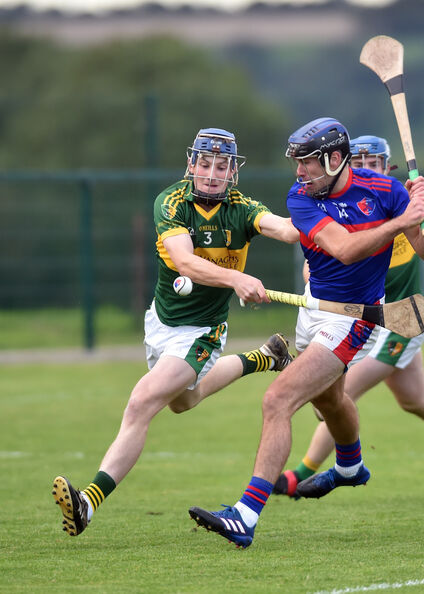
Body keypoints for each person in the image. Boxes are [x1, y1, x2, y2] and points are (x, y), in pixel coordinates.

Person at [188, 118, 424, 547]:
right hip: (314, 309)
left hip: (353, 320)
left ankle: (245, 516)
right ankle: (350, 467)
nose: (299, 172)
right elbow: (343, 249)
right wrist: (401, 221)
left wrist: (423, 214)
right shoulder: (301, 197)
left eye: (307, 163)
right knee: (330, 400)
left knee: (277, 399)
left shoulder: (387, 193)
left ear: (335, 159)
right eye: (297, 163)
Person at [52, 128, 300, 537]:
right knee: (185, 401)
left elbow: (287, 230)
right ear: (191, 164)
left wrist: (319, 203)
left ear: (233, 174)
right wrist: (236, 280)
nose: (212, 174)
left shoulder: (243, 209)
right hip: (162, 323)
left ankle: (88, 503)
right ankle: (264, 357)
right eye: (205, 164)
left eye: (222, 167)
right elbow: (185, 262)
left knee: (142, 402)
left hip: (202, 332)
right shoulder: (170, 202)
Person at [271, 135, 424, 501]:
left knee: (338, 394)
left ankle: (299, 476)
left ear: (386, 166)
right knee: (415, 399)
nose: (365, 168)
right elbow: (319, 258)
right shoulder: (336, 200)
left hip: (401, 317)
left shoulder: (397, 197)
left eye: (373, 161)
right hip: (359, 316)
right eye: (358, 160)